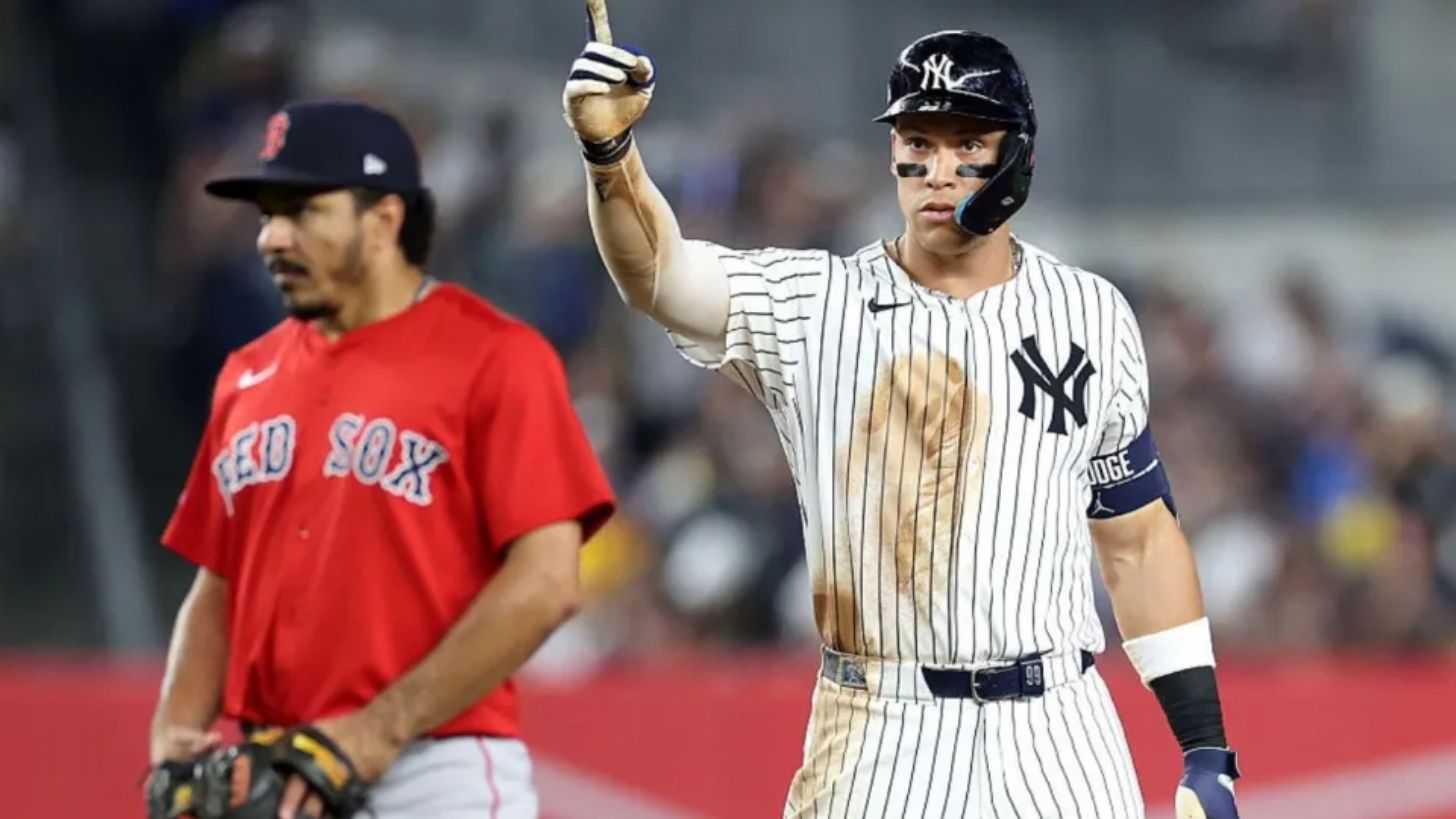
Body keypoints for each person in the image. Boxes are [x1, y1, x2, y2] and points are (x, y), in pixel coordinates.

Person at [563, 11, 1241, 819]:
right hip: (883, 725)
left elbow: (1137, 537)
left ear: (1019, 155)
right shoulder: (819, 305)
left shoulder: (1091, 312)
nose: (937, 170)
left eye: (967, 143)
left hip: (1060, 723)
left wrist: (1204, 746)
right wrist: (611, 156)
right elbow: (662, 277)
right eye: (918, 141)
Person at [146, 99, 615, 819]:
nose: (272, 237)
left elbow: (548, 582)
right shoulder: (246, 374)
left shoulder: (495, 358)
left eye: (303, 211)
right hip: (279, 775)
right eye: (268, 215)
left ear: (385, 219)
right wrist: (175, 735)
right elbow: (219, 583)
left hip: (432, 767)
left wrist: (379, 727)